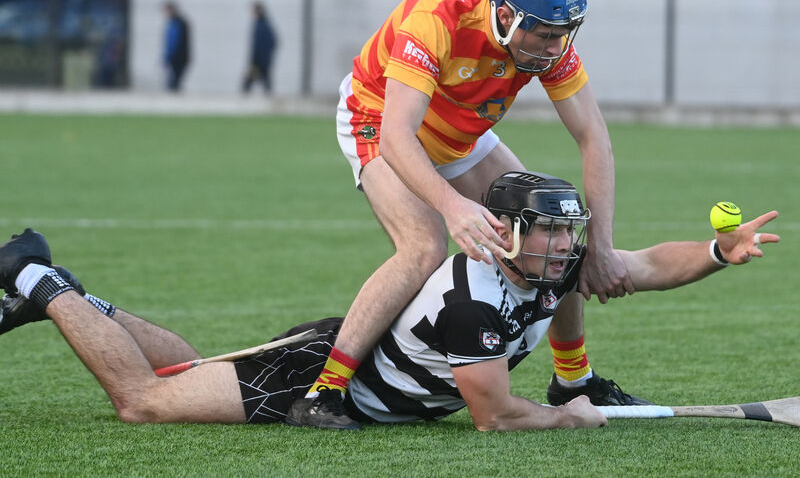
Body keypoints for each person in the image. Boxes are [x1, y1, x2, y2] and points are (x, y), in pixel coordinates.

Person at [0, 172, 780, 431]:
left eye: (567, 232)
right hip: (319, 380)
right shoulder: (475, 301)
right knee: (144, 400)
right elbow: (493, 415)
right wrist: (567, 415)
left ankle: (72, 299)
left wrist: (717, 252)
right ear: (507, 231)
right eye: (549, 231)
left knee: (182, 366)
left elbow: (644, 265)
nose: (564, 246)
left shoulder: (548, 265)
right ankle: (33, 275)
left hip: (342, 350)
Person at [295, 0, 632, 428]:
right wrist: (453, 207)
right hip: (377, 119)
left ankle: (573, 378)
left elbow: (594, 138)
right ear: (505, 14)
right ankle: (324, 391)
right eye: (544, 35)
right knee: (424, 247)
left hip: (460, 132)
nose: (554, 48)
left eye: (564, 35)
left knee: (547, 224)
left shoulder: (547, 40)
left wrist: (601, 246)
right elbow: (396, 137)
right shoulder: (439, 15)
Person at [241, 1, 278, 94]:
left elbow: (268, 43)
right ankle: (268, 95)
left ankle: (243, 97)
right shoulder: (260, 24)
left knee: (250, 80)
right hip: (261, 59)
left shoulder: (263, 25)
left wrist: (259, 58)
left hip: (260, 60)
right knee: (263, 80)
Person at [162, 0, 191, 92]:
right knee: (173, 82)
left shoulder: (178, 23)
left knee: (174, 82)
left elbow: (174, 43)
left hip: (178, 58)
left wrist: (169, 57)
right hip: (177, 57)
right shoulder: (174, 23)